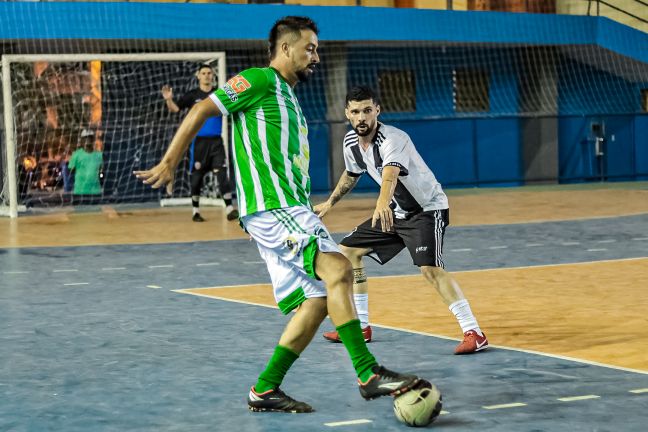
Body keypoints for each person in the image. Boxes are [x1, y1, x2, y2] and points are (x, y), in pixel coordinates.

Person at [135, 16, 422, 414]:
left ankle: (265, 388)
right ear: (286, 48)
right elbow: (202, 108)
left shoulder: (288, 96)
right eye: (310, 48)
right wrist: (170, 161)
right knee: (338, 269)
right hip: (273, 208)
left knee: (318, 301)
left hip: (288, 209)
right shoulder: (258, 80)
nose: (315, 56)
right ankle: (367, 373)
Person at [314, 86, 489, 355]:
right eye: (356, 111)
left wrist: (382, 203)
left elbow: (390, 174)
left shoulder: (393, 138)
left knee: (429, 269)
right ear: (347, 113)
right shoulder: (351, 142)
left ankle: (474, 332)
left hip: (426, 210)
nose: (362, 117)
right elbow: (351, 175)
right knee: (347, 252)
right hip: (395, 211)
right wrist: (330, 202)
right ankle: (361, 326)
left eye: (367, 110)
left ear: (377, 111)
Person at [162, 64, 238, 222]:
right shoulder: (192, 96)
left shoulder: (220, 93)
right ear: (198, 76)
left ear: (213, 75)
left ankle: (230, 209)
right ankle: (195, 211)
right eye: (203, 73)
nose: (206, 76)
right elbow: (175, 109)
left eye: (209, 73)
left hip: (216, 142)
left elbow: (233, 106)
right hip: (198, 143)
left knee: (222, 173)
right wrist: (169, 100)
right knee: (196, 177)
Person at [69, 129, 103, 196]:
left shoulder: (99, 155)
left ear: (93, 139)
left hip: (95, 191)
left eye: (90, 137)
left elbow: (101, 169)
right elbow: (71, 170)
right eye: (85, 138)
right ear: (81, 140)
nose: (88, 140)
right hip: (80, 191)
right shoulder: (76, 154)